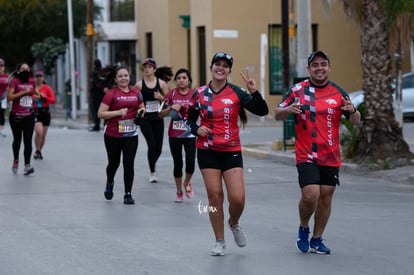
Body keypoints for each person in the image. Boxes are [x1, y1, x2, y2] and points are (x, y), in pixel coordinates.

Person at [274, 51, 361, 254]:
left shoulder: (338, 92)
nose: (319, 68)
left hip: (331, 155)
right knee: (311, 194)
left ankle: (317, 238)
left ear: (329, 67)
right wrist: (288, 110)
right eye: (315, 65)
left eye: (323, 64)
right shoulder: (297, 90)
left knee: (326, 198)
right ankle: (304, 228)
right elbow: (277, 114)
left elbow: (355, 120)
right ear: (309, 69)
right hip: (307, 154)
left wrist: (353, 110)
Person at [185, 52, 269, 256]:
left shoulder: (237, 92)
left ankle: (233, 222)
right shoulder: (199, 93)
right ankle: (219, 240)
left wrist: (254, 91)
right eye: (217, 64)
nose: (220, 68)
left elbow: (262, 111)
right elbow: (188, 120)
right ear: (211, 67)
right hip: (207, 150)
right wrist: (197, 130)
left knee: (238, 199)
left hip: (231, 150)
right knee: (215, 197)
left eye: (225, 65)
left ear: (229, 71)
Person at [98, 65, 145, 205]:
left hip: (131, 133)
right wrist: (118, 113)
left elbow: (141, 106)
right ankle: (110, 181)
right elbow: (100, 113)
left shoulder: (136, 93)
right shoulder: (111, 94)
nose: (124, 78)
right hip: (113, 134)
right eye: (120, 76)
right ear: (116, 79)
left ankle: (128, 194)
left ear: (129, 77)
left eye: (126, 75)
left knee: (128, 163)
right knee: (114, 163)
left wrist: (141, 112)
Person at [159, 68, 196, 202]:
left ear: (189, 81)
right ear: (176, 81)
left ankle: (187, 183)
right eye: (179, 78)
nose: (181, 80)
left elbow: (199, 112)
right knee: (178, 163)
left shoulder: (194, 94)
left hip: (190, 134)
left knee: (191, 162)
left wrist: (183, 108)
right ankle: (179, 191)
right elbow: (160, 113)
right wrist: (170, 108)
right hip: (175, 135)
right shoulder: (171, 94)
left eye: (184, 78)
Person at [134, 58, 172, 183]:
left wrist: (160, 97)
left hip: (157, 117)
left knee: (159, 148)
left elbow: (169, 101)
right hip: (145, 118)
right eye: (145, 67)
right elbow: (135, 100)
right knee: (152, 144)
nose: (147, 69)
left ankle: (152, 162)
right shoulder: (139, 85)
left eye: (149, 67)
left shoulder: (161, 84)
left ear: (154, 69)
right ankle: (153, 172)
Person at [7, 62, 37, 175]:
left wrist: (37, 96)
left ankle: (27, 165)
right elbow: (9, 97)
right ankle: (16, 160)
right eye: (23, 69)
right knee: (17, 140)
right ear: (18, 71)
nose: (25, 71)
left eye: (27, 69)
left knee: (28, 140)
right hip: (16, 116)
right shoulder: (15, 81)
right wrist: (22, 93)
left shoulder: (31, 81)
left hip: (29, 115)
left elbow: (32, 94)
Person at [32, 70, 56, 160]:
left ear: (43, 78)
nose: (38, 78)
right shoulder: (32, 88)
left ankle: (39, 151)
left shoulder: (47, 88)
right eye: (37, 76)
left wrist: (45, 97)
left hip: (45, 112)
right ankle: (37, 150)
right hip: (36, 111)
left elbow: (53, 100)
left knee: (43, 135)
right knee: (39, 132)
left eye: (40, 76)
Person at [89, 59, 105, 131]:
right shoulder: (103, 73)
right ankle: (105, 124)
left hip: (96, 95)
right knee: (104, 110)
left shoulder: (94, 73)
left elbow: (93, 83)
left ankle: (97, 125)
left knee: (96, 110)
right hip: (103, 95)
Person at [0, 58, 9, 137]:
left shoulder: (7, 76)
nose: (0, 67)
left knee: (2, 114)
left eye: (2, 65)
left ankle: (1, 131)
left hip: (3, 98)